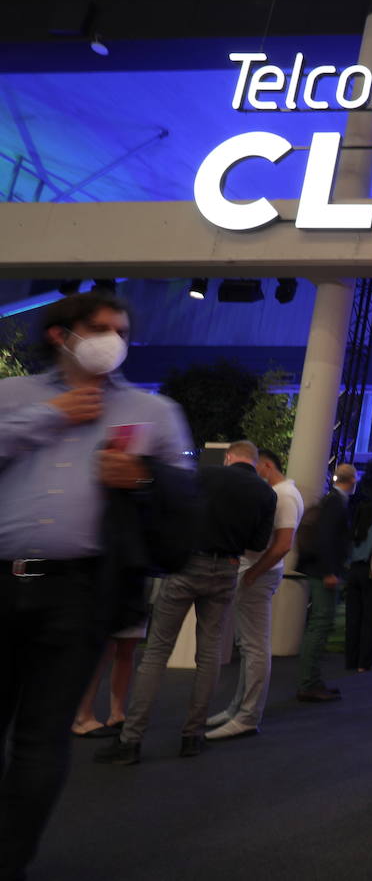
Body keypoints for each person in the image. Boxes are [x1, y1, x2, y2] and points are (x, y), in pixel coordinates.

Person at [0, 291, 195, 880]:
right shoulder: (10, 396)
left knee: (41, 738)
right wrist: (56, 414)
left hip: (81, 590)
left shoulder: (153, 412)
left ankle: (9, 862)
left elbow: (183, 505)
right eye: (99, 326)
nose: (112, 337)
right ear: (62, 334)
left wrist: (139, 477)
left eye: (122, 330)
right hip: (1, 579)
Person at [95, 440, 276, 765]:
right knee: (208, 655)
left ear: (229, 457)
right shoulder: (267, 494)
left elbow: (177, 513)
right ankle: (192, 736)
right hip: (226, 571)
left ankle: (131, 739)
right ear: (255, 461)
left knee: (156, 652)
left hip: (187, 565)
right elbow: (258, 543)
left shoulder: (203, 476)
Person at [207, 447, 304, 740]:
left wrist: (253, 572)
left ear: (266, 465)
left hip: (258, 577)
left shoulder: (284, 495)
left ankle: (247, 715)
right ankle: (239, 708)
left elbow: (284, 543)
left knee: (254, 646)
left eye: (253, 466)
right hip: (256, 574)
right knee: (249, 645)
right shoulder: (283, 492)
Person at [295, 463, 356, 703]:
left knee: (319, 624)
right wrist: (330, 571)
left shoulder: (330, 501)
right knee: (320, 624)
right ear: (352, 480)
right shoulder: (335, 503)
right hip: (324, 573)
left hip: (320, 571)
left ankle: (312, 681)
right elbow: (328, 539)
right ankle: (308, 683)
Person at [344, 492, 372, 674]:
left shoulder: (352, 530)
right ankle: (365, 662)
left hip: (352, 572)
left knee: (353, 617)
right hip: (369, 573)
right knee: (370, 618)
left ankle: (351, 660)